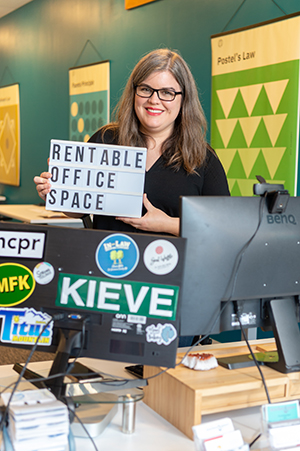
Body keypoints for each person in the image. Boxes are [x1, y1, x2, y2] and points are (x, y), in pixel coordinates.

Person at [34, 48, 230, 237]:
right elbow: (78, 211)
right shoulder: (106, 140)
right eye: (146, 89)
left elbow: (223, 225)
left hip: (172, 267)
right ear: (134, 92)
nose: (154, 100)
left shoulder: (202, 158)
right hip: (107, 263)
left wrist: (168, 224)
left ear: (183, 99)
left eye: (167, 93)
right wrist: (56, 193)